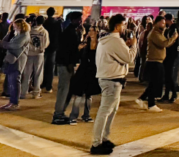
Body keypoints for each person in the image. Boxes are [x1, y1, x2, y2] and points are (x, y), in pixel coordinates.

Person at [91, 14, 134, 155]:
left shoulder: (106, 40)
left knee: (110, 110)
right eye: (123, 25)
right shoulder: (115, 41)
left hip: (108, 78)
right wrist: (134, 46)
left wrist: (126, 46)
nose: (124, 27)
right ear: (117, 26)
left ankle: (104, 138)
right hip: (112, 80)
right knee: (105, 111)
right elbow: (128, 58)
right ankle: (96, 143)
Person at [136, 14, 176, 111]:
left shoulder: (158, 33)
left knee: (154, 83)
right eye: (161, 23)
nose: (164, 24)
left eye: (164, 23)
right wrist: (174, 37)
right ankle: (151, 104)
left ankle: (142, 99)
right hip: (154, 62)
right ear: (156, 23)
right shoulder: (154, 33)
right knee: (155, 83)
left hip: (157, 61)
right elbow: (164, 43)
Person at [52, 12, 84, 125]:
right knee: (63, 89)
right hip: (65, 63)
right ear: (73, 20)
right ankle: (58, 114)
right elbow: (68, 50)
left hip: (65, 62)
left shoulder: (69, 30)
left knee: (65, 89)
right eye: (79, 19)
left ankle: (60, 113)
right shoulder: (69, 32)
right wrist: (70, 63)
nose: (81, 21)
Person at [68, 25, 100, 124]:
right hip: (83, 69)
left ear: (97, 32)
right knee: (79, 94)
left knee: (89, 95)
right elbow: (78, 56)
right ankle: (73, 116)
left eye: (93, 31)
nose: (90, 33)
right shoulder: (85, 43)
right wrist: (79, 49)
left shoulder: (100, 45)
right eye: (89, 31)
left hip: (93, 71)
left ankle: (86, 115)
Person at [0, 18, 30, 110]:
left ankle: (15, 103)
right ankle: (12, 102)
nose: (13, 26)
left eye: (15, 25)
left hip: (17, 61)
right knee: (11, 82)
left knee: (15, 82)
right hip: (12, 59)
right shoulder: (18, 34)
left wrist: (4, 44)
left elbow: (15, 45)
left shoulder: (24, 35)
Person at [22, 15, 50, 99]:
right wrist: (40, 48)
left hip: (29, 54)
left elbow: (25, 42)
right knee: (38, 73)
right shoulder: (44, 31)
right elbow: (46, 43)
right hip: (39, 54)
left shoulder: (29, 30)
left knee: (27, 73)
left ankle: (23, 92)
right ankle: (36, 92)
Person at [43, 7, 61, 94]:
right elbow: (60, 35)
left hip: (44, 47)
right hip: (53, 47)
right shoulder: (57, 23)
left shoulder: (44, 22)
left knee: (42, 66)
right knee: (50, 67)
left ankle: (41, 83)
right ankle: (48, 86)